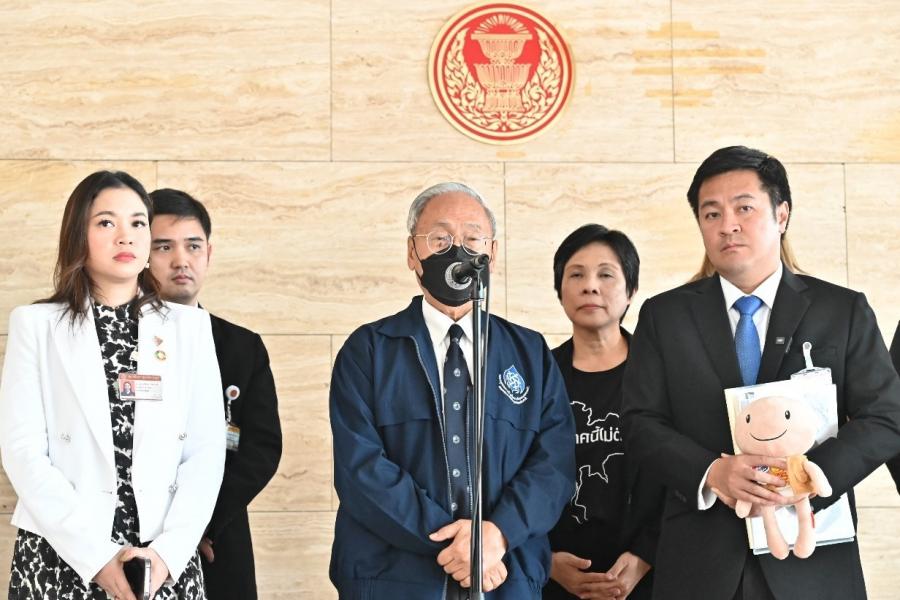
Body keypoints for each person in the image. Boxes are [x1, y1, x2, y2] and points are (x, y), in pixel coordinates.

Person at [621, 146, 900, 600]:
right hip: (700, 564)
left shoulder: (842, 310)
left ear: (781, 214)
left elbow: (887, 416)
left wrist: (810, 477)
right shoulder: (664, 316)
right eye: (711, 213)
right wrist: (712, 472)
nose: (727, 225)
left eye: (744, 208)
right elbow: (639, 423)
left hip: (813, 561)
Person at [329, 182, 576, 599]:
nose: (456, 250)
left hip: (505, 578)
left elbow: (554, 464)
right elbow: (361, 469)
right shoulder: (369, 350)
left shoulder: (529, 353)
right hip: (394, 581)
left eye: (472, 238)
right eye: (440, 238)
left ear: (492, 253)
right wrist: (461, 547)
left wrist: (497, 536)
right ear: (413, 252)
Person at [0, 171, 225, 600]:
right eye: (106, 222)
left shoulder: (190, 329)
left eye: (138, 223)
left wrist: (170, 552)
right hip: (62, 553)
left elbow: (205, 452)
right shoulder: (36, 325)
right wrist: (96, 558)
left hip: (161, 559)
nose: (126, 236)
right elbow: (23, 452)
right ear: (77, 235)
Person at [148, 188, 282, 600]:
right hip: (136, 539)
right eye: (163, 247)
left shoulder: (241, 346)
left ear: (208, 253)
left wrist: (198, 525)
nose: (181, 260)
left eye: (193, 246)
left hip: (218, 538)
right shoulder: (118, 344)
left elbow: (260, 449)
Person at [543, 224, 657, 600]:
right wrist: (545, 560)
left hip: (649, 577)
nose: (590, 286)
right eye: (576, 275)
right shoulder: (538, 376)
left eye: (606, 275)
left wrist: (646, 554)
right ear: (559, 290)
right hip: (556, 580)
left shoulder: (660, 373)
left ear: (631, 291)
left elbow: (683, 476)